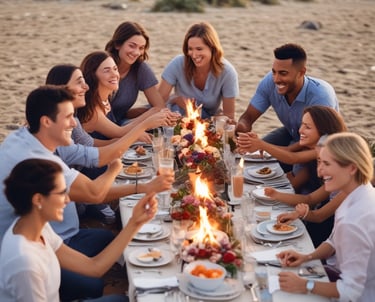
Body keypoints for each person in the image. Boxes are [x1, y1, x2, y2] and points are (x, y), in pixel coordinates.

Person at [0, 85, 174, 301]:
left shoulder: (24, 138)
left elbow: (95, 266)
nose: (75, 123)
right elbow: (94, 194)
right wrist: (116, 168)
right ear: (46, 121)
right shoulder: (40, 163)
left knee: (106, 244)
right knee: (98, 287)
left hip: (42, 238)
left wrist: (135, 222)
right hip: (25, 254)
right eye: (69, 117)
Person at [0, 158, 157, 301]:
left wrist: (135, 222)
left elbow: (93, 266)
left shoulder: (37, 227)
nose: (68, 200)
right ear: (38, 199)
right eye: (62, 193)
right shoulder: (24, 263)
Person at [46, 63, 174, 223]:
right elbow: (101, 154)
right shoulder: (59, 133)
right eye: (79, 82)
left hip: (76, 196)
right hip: (71, 208)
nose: (86, 87)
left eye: (115, 69)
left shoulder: (74, 119)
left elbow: (94, 147)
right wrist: (145, 124)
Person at [277, 132, 375, 301]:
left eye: (327, 164)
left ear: (352, 167)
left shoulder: (354, 221)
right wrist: (307, 257)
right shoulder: (360, 191)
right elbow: (334, 241)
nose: (320, 172)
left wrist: (304, 285)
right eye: (319, 162)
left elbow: (351, 291)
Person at [236, 43, 338, 157]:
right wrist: (240, 128)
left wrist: (262, 145)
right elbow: (248, 117)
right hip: (291, 132)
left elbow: (308, 144)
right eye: (274, 72)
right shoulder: (269, 81)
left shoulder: (321, 96)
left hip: (316, 146)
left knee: (269, 155)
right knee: (255, 155)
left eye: (283, 73)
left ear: (301, 72)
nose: (276, 79)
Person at [238, 106, 347, 192]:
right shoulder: (309, 144)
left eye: (307, 127)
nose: (300, 130)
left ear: (324, 133)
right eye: (302, 125)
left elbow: (293, 158)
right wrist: (260, 144)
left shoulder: (325, 150)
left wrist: (262, 145)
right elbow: (288, 150)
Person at [77, 51, 179, 140]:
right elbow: (119, 132)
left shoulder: (104, 98)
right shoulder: (92, 109)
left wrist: (157, 115)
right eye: (107, 70)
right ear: (92, 76)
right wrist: (149, 121)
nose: (114, 74)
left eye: (115, 69)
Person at [158, 21, 239, 120]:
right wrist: (175, 99)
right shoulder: (177, 64)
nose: (194, 55)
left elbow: (229, 116)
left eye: (199, 49)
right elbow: (157, 102)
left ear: (212, 49)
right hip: (175, 118)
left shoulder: (227, 72)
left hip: (208, 122)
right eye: (190, 49)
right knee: (143, 112)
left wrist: (210, 122)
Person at [105, 21, 165, 125]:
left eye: (141, 48)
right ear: (117, 44)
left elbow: (159, 107)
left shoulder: (140, 68)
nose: (137, 53)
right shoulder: (103, 66)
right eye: (132, 46)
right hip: (96, 128)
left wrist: (141, 121)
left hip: (120, 123)